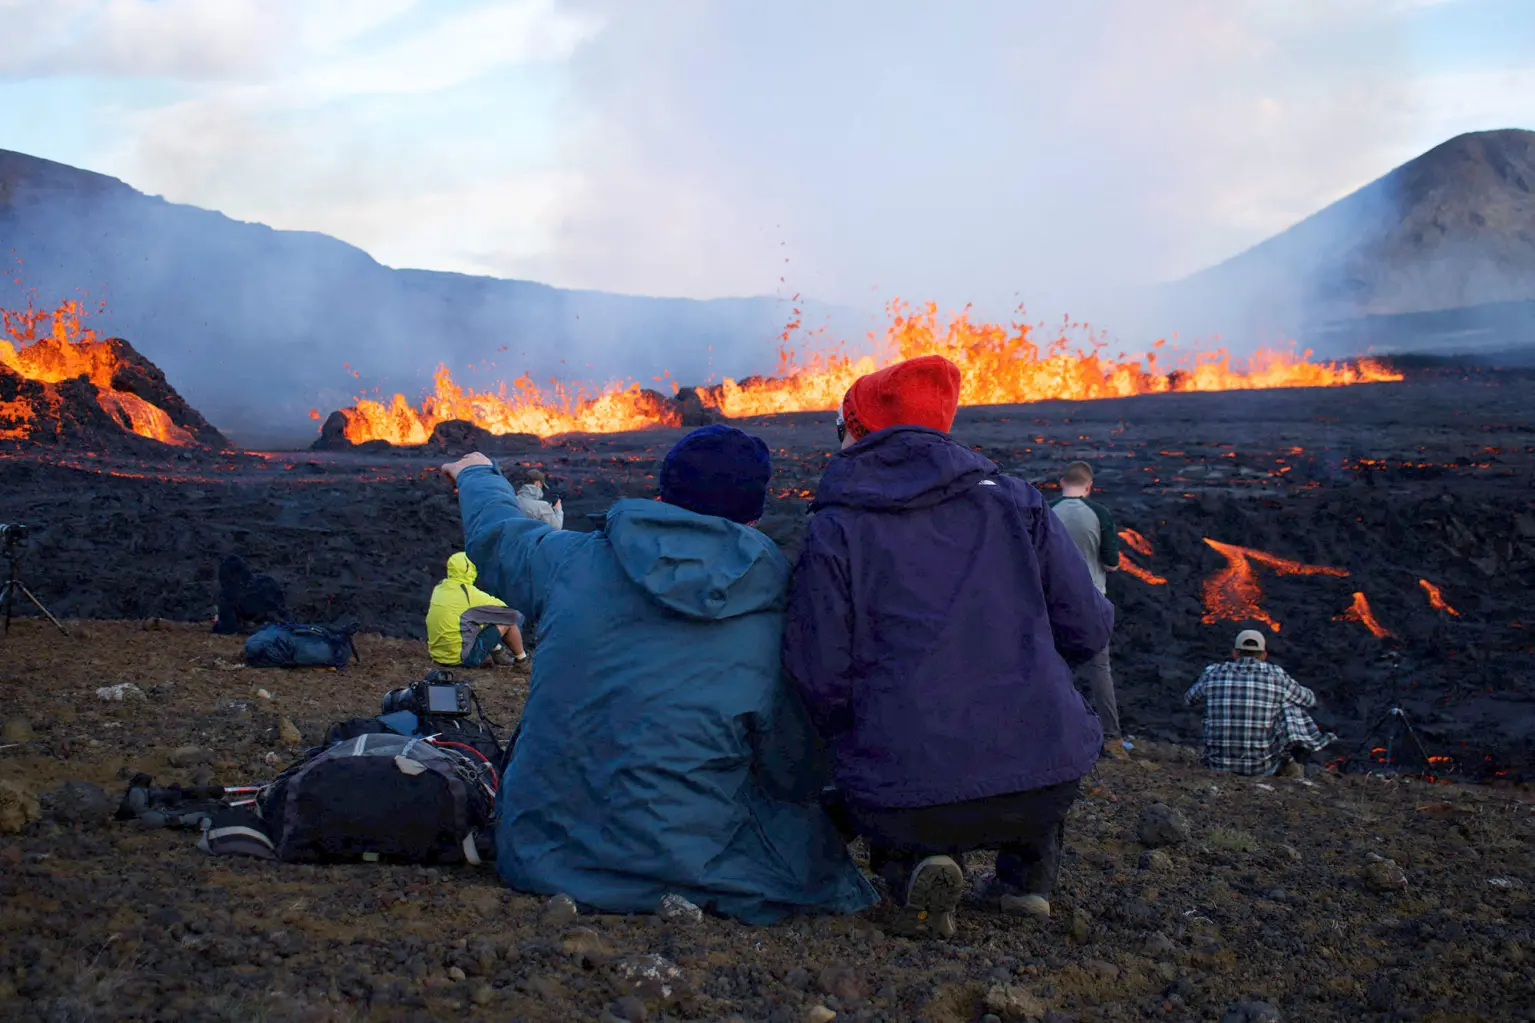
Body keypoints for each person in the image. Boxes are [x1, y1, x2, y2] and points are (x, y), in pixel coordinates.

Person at [440, 426, 876, 924]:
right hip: (688, 868)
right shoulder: (781, 612)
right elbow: (790, 772)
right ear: (755, 513)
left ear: (661, 493)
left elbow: (497, 535)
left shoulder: (568, 560)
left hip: (542, 855)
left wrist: (477, 473)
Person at [783, 355, 1114, 939]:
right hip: (1043, 778)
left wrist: (848, 747)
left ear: (859, 430)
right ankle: (1026, 879)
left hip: (907, 789)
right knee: (1034, 734)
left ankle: (917, 867)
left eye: (841, 428)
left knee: (896, 768)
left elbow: (821, 674)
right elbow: (1086, 630)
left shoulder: (837, 527)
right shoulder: (1016, 502)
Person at [1048, 460, 1126, 755]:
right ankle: (1113, 738)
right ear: (1089, 486)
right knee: (1099, 667)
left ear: (1061, 482)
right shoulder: (1099, 513)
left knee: (1052, 665)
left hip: (1053, 601)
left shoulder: (1046, 509)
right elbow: (1112, 562)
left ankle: (1052, 731)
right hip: (1092, 600)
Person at [1183, 629, 1333, 776]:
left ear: (1235, 653)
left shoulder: (1213, 673)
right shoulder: (1276, 676)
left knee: (1216, 702)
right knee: (1288, 705)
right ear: (1264, 655)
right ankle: (1298, 755)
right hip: (1261, 767)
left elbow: (1189, 699)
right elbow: (1309, 700)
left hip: (1216, 764)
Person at [426, 553, 530, 670]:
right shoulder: (470, 595)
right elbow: (512, 615)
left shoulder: (440, 587)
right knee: (505, 621)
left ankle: (498, 653)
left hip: (438, 655)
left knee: (475, 618)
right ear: (470, 569)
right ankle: (522, 661)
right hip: (460, 659)